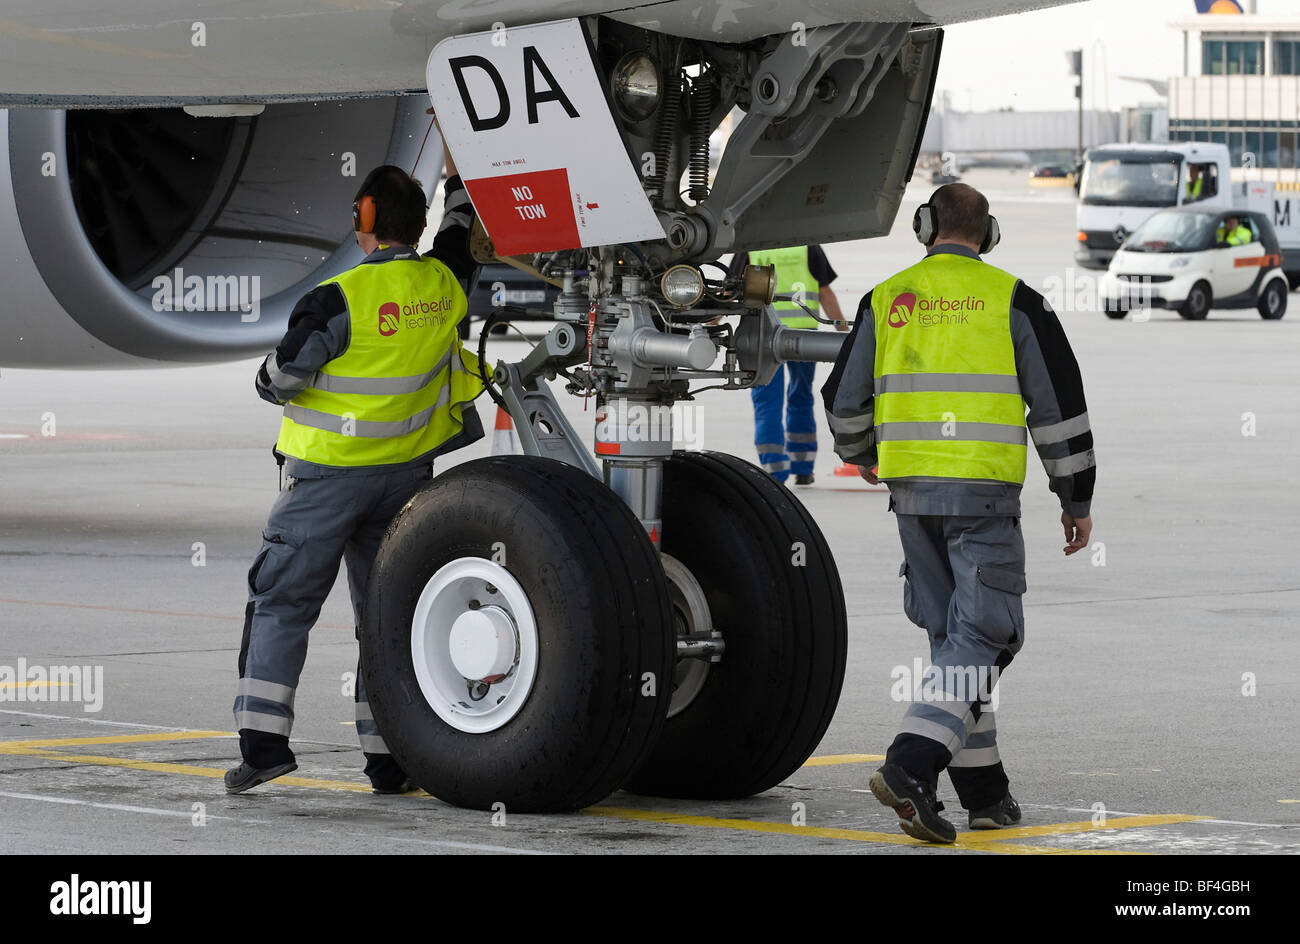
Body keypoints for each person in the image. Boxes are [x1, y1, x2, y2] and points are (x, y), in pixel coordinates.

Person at [821, 183, 1095, 843]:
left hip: (912, 495)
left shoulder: (884, 299)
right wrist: (1075, 497)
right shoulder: (1014, 300)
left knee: (955, 639)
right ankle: (912, 764)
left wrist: (865, 455)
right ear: (989, 232)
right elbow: (1059, 411)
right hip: (982, 494)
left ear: (923, 227)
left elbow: (843, 403)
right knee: (991, 634)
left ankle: (985, 793)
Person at [226, 129, 485, 795]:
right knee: (386, 614)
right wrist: (458, 161)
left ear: (363, 221)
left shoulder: (337, 299)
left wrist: (267, 379)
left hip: (326, 481)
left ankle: (263, 745)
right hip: (404, 480)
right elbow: (463, 228)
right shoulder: (444, 285)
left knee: (282, 602)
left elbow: (280, 378)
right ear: (417, 221)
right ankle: (388, 758)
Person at [728, 245, 848, 485]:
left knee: (767, 404)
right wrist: (844, 334)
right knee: (801, 397)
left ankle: (775, 472)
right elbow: (824, 293)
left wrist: (710, 323)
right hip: (803, 340)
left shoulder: (751, 246)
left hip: (763, 339)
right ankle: (803, 467)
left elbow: (727, 293)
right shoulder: (809, 246)